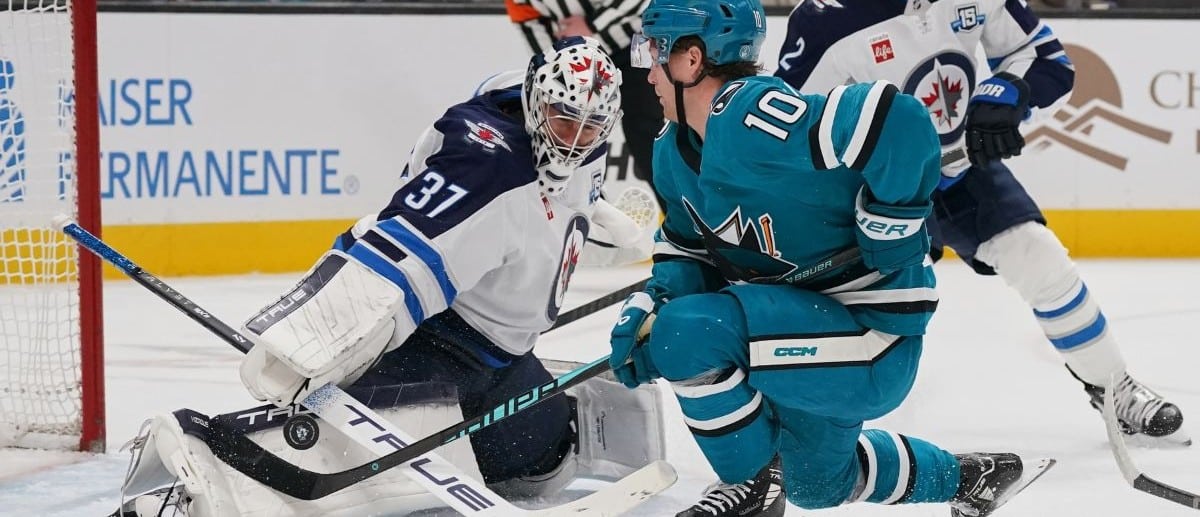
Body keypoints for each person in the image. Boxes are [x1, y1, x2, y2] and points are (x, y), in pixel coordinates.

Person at [111, 37, 666, 517]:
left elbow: (543, 210)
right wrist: (310, 345)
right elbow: (398, 254)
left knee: (545, 456)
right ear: (534, 102)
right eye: (564, 119)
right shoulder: (488, 168)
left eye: (592, 125)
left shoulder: (572, 136)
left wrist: (591, 224)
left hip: (504, 362)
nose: (574, 138)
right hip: (435, 346)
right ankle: (201, 463)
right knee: (343, 461)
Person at [609, 0, 1055, 515]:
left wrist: (892, 222)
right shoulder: (671, 150)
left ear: (691, 60)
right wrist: (655, 304)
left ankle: (750, 489)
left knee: (688, 333)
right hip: (800, 326)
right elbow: (690, 252)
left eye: (653, 51)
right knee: (815, 485)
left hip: (868, 333)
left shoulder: (751, 114)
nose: (645, 72)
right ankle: (969, 478)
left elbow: (901, 120)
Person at [775, 0, 1184, 442]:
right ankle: (799, 429)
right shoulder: (824, 18)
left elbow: (1046, 59)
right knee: (873, 315)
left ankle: (1114, 387)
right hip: (877, 191)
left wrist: (1010, 91)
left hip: (962, 170)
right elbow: (786, 131)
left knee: (1039, 258)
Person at [505, 0, 665, 196]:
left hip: (631, 42)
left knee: (645, 133)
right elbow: (530, 21)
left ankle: (682, 215)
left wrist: (592, 24)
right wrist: (559, 65)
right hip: (578, 62)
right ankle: (586, 207)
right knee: (573, 134)